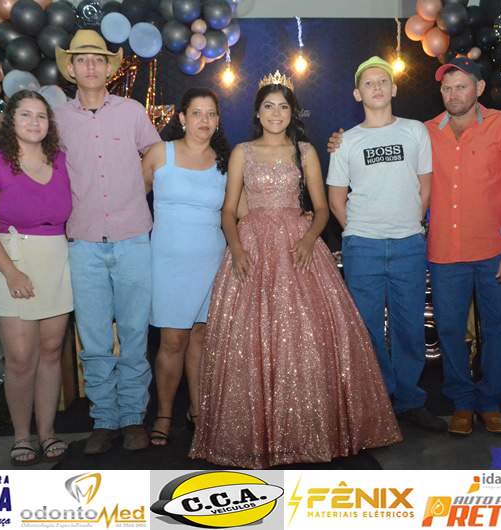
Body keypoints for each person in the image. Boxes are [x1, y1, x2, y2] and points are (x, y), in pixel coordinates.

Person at [189, 71, 402, 469]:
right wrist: (236, 248)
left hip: (297, 242)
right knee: (249, 336)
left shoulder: (305, 151)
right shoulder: (242, 152)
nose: (276, 113)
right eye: (268, 106)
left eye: (283, 106)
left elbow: (321, 209)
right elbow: (229, 210)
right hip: (253, 244)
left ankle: (310, 428)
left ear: (292, 112)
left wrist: (308, 240)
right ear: (258, 113)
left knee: (307, 332)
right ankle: (256, 431)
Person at [54, 30, 161, 453]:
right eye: (82, 59)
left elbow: (155, 156)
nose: (90, 66)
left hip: (133, 238)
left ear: (109, 68)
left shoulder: (132, 112)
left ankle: (133, 418)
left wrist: (138, 189)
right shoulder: (58, 119)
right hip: (83, 243)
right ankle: (103, 420)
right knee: (94, 337)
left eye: (97, 59)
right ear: (71, 68)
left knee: (135, 333)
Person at [326, 56, 445, 433]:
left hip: (409, 244)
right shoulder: (345, 141)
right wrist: (358, 232)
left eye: (382, 81)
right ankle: (378, 400)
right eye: (369, 83)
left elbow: (426, 186)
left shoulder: (415, 132)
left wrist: (409, 224)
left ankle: (409, 400)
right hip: (363, 248)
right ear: (357, 94)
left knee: (410, 327)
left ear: (393, 89)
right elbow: (335, 198)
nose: (376, 87)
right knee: (366, 328)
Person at [425, 57, 501, 435]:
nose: (453, 94)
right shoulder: (426, 132)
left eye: (461, 87)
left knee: (497, 330)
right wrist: (341, 141)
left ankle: (490, 402)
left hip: (496, 250)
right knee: (449, 330)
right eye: (447, 88)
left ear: (479, 89)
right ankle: (461, 402)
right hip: (445, 252)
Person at [0, 90, 73, 466]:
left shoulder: (60, 160)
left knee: (51, 352)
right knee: (19, 358)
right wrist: (11, 272)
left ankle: (47, 433)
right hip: (11, 261)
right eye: (26, 115)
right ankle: (21, 437)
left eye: (41, 116)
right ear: (11, 121)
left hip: (56, 259)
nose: (34, 122)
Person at [140, 88, 230, 446]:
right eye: (196, 113)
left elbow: (239, 210)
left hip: (211, 261)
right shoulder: (160, 153)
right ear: (182, 118)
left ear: (218, 120)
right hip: (167, 263)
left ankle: (199, 410)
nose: (204, 120)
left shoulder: (226, 161)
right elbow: (132, 200)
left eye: (211, 114)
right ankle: (164, 414)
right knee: (172, 340)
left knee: (202, 339)